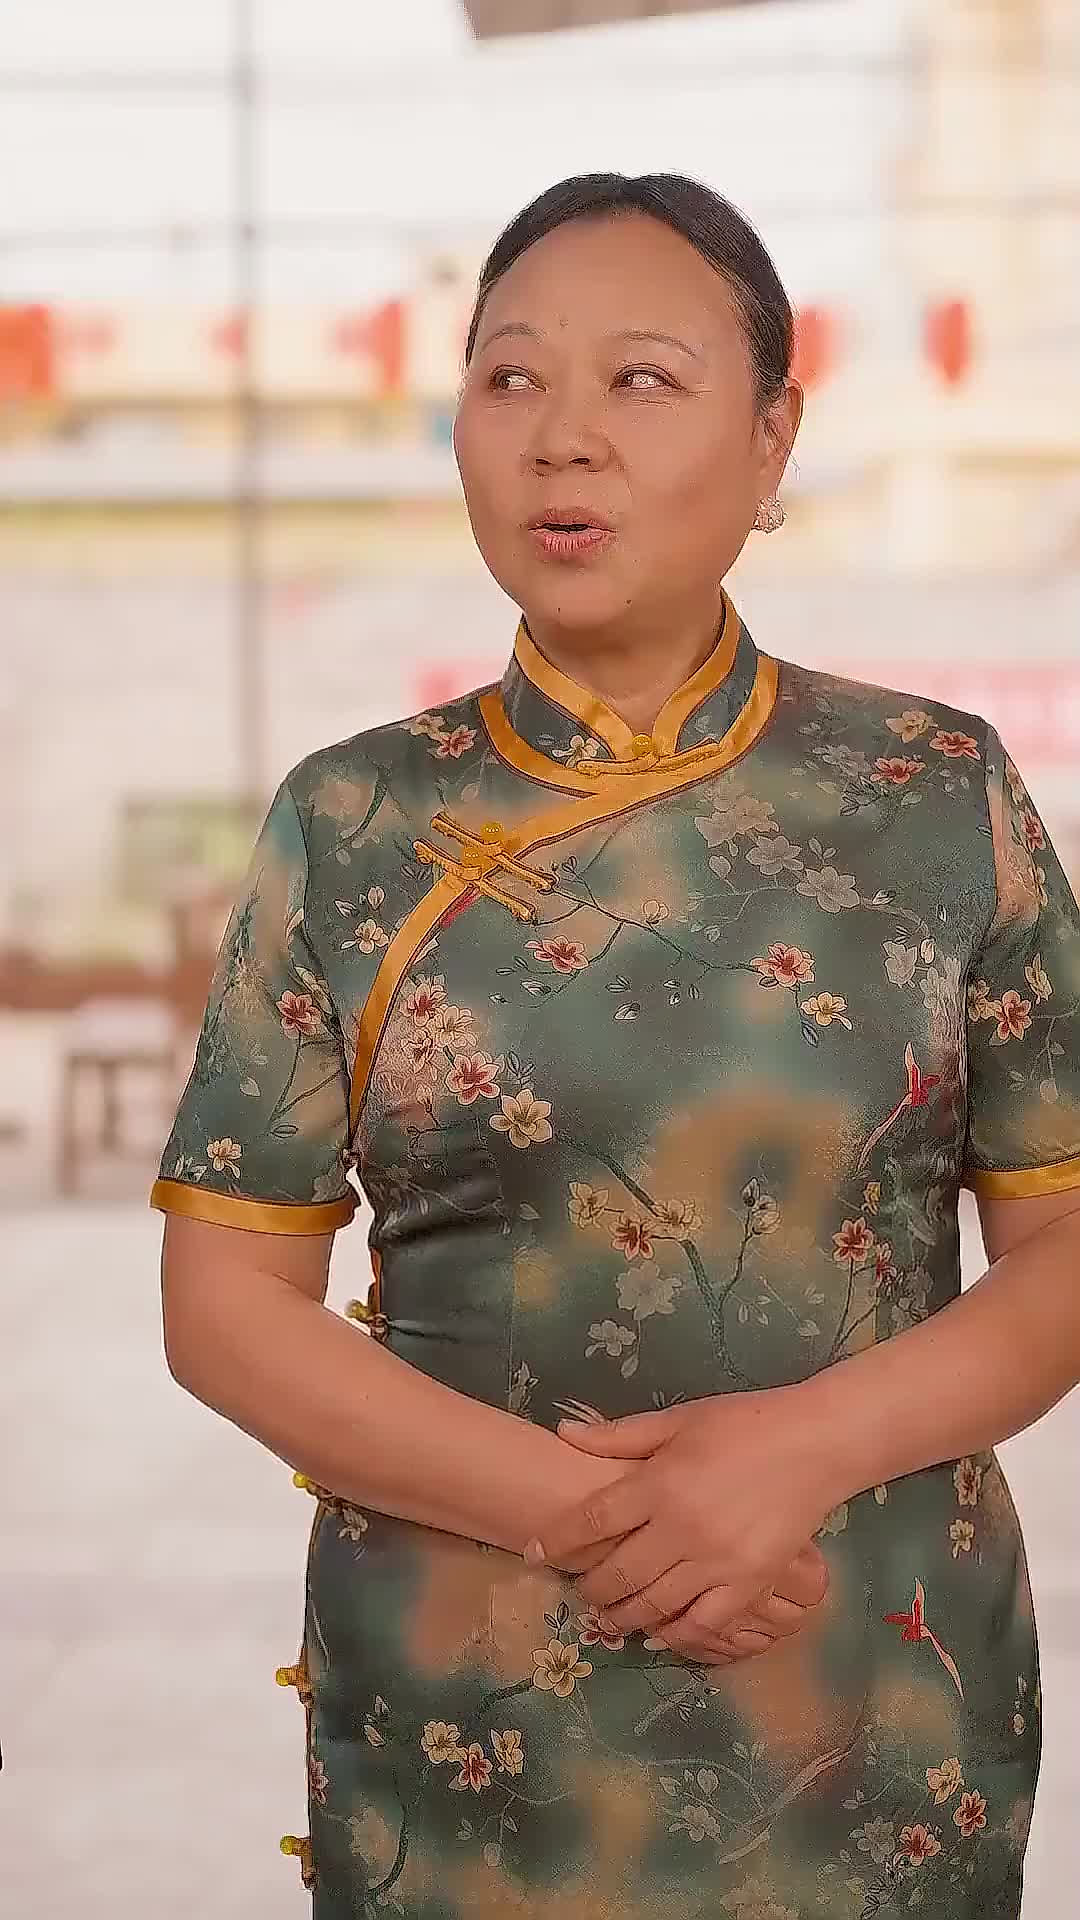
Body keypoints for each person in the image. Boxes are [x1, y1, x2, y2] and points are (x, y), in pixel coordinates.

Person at [152, 173, 1080, 1920]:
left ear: (775, 435)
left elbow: (1065, 1251)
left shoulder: (936, 792)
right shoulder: (354, 823)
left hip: (867, 1705)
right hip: (472, 1723)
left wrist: (792, 1457)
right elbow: (224, 1307)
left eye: (642, 379)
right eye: (509, 378)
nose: (561, 435)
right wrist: (607, 1519)